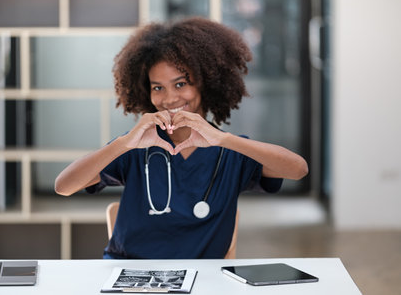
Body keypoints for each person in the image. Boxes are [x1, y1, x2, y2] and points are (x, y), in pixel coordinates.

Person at [55, 17, 308, 259]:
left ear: (205, 82)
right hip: (132, 275)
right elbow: (64, 186)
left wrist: (223, 139)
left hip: (202, 279)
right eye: (158, 87)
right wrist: (122, 144)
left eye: (180, 84)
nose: (170, 99)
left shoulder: (230, 151)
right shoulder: (137, 145)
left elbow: (298, 169)